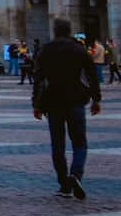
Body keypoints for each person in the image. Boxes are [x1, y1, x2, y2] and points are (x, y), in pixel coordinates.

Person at [32, 18, 101, 200]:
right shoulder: (78, 49)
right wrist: (96, 99)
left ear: (55, 31)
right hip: (76, 100)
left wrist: (36, 105)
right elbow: (92, 75)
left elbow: (38, 79)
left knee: (58, 145)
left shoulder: (46, 50)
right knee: (79, 142)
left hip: (53, 102)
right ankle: (75, 175)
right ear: (70, 30)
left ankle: (64, 184)